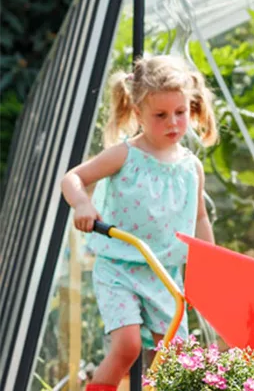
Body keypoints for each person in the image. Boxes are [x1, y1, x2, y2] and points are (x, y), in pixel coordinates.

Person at [60, 55, 218, 391]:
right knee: (128, 346)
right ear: (138, 114)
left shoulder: (192, 168)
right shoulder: (125, 155)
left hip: (164, 275)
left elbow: (200, 219)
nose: (173, 122)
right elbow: (73, 177)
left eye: (180, 112)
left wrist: (210, 265)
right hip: (119, 269)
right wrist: (83, 203)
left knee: (174, 359)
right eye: (160, 115)